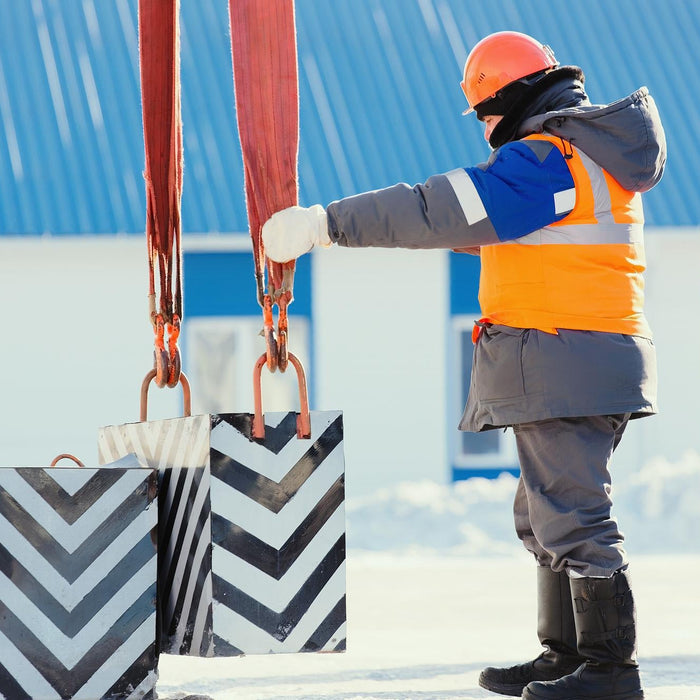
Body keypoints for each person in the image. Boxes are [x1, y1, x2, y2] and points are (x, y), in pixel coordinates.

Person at [261, 30, 666, 700]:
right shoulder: (579, 162)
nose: (481, 127)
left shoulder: (547, 161)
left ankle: (608, 671)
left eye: (483, 110)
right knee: (544, 514)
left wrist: (325, 224)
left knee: (571, 514)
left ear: (511, 99)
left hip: (566, 355)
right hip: (576, 356)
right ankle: (562, 656)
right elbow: (505, 242)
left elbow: (435, 208)